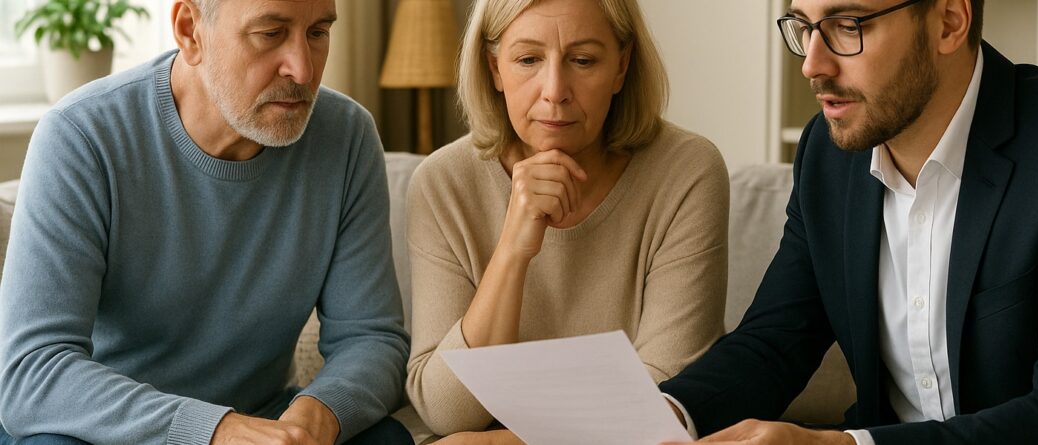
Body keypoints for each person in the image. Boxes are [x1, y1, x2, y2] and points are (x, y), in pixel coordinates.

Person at [658, 0, 1038, 443]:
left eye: (847, 26)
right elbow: (775, 340)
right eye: (804, 27)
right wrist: (667, 415)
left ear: (949, 22)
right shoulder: (827, 153)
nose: (812, 64)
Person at [0, 0, 412, 444]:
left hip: (265, 424)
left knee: (386, 438)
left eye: (318, 33)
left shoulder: (347, 137)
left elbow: (372, 339)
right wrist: (214, 430)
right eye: (270, 34)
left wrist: (315, 418)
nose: (303, 70)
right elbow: (32, 371)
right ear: (190, 30)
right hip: (110, 432)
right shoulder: (81, 136)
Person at [396, 0, 729, 443]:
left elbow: (666, 394)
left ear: (621, 66)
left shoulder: (687, 171)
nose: (554, 91)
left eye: (583, 60)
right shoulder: (442, 183)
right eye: (528, 60)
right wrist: (513, 250)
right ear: (494, 68)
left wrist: (500, 442)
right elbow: (445, 410)